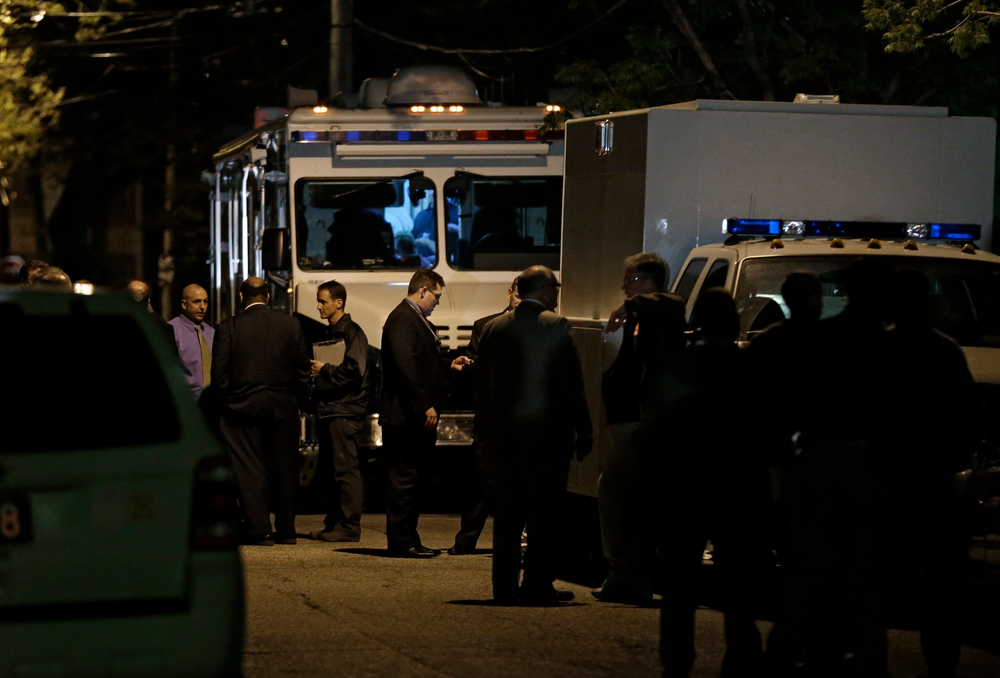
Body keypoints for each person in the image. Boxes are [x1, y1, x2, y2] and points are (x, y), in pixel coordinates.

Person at [764, 259, 897, 678]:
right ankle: (865, 652)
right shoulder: (885, 345)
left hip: (818, 456)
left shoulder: (819, 338)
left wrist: (784, 458)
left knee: (810, 561)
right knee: (867, 564)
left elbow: (783, 403)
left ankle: (786, 646)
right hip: (865, 461)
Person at [638, 288, 771, 677]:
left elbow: (653, 428)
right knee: (738, 577)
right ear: (734, 324)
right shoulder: (749, 367)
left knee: (680, 576)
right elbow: (767, 429)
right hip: (737, 484)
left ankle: (677, 658)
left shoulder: (678, 365)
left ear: (697, 324)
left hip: (684, 483)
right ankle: (743, 654)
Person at [475, 265, 593, 604]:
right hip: (546, 436)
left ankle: (504, 586)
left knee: (508, 514)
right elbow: (571, 385)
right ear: (543, 289)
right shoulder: (555, 325)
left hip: (504, 436)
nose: (556, 293)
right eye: (554, 287)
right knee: (544, 513)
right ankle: (537, 584)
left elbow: (482, 385)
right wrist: (584, 430)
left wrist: (487, 429)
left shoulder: (494, 328)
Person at [886, 269, 978, 678]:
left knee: (876, 578)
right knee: (940, 580)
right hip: (938, 480)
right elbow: (970, 420)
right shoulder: (946, 351)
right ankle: (941, 661)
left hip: (887, 481)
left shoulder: (880, 349)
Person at [594, 252, 686, 605]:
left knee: (620, 497)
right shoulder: (646, 315)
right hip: (630, 422)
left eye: (630, 280)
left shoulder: (662, 311)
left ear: (649, 283)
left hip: (640, 423)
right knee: (624, 498)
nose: (624, 287)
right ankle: (627, 575)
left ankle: (628, 577)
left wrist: (631, 306)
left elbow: (673, 301)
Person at [211, 277, 311, 546]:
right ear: (267, 296)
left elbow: (219, 375)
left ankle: (259, 528)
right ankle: (287, 529)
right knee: (285, 467)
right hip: (283, 405)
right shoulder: (291, 324)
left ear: (241, 297)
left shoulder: (228, 327)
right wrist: (298, 400)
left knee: (249, 467)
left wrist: (225, 404)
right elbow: (303, 370)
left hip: (243, 406)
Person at [446, 275, 521, 555]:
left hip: (521, 415)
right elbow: (473, 366)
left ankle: (515, 542)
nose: (520, 302)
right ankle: (466, 539)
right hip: (491, 416)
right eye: (518, 295)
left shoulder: (539, 327)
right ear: (509, 293)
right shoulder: (485, 325)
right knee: (482, 478)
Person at [380, 268, 448, 558]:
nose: (437, 302)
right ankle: (401, 541)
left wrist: (449, 365)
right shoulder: (402, 319)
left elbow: (422, 361)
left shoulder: (414, 319)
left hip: (411, 414)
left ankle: (410, 537)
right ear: (423, 290)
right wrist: (424, 403)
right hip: (404, 415)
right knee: (404, 480)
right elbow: (406, 365)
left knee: (414, 479)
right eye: (436, 296)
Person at [306, 280, 371, 543]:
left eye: (323, 301)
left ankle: (348, 526)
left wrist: (325, 370)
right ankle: (336, 523)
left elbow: (355, 370)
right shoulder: (334, 332)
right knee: (335, 470)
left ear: (339, 302)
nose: (318, 306)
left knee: (345, 469)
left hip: (344, 409)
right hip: (332, 409)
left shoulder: (352, 332)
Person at [168, 284, 215, 400]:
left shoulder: (211, 333)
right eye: (197, 302)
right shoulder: (171, 330)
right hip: (185, 402)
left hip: (212, 403)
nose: (202, 307)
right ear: (184, 304)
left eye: (205, 301)